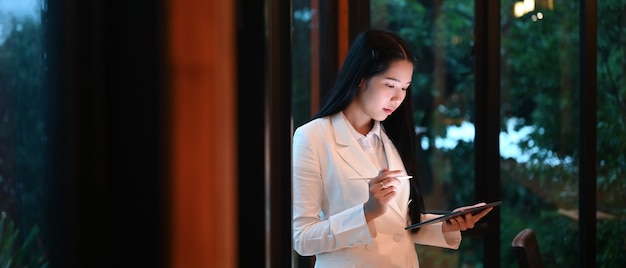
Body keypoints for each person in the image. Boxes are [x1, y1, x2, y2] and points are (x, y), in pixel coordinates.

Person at [291, 29, 493, 268]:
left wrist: (444, 225)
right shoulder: (312, 137)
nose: (398, 98)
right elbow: (302, 239)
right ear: (361, 78)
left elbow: (396, 224)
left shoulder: (392, 137)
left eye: (405, 88)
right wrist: (367, 212)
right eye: (390, 85)